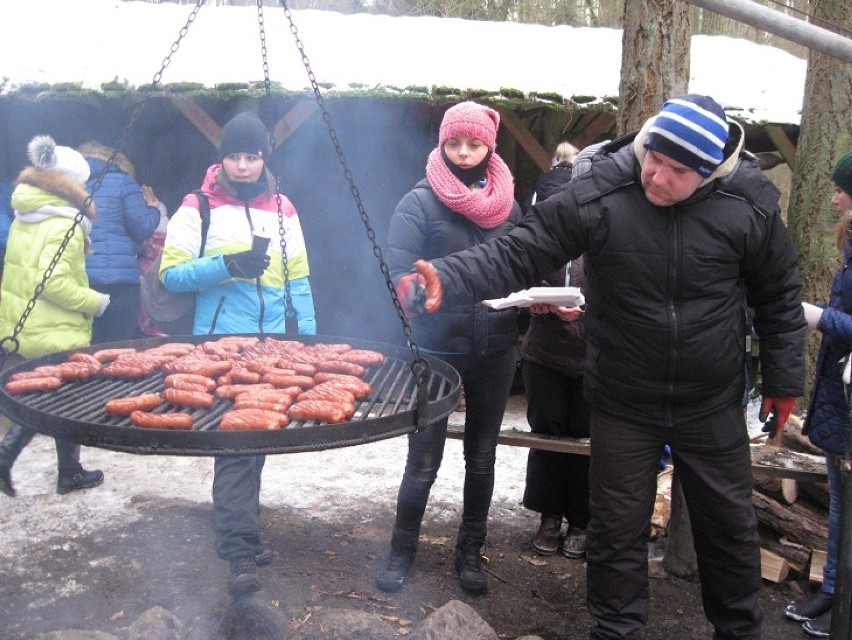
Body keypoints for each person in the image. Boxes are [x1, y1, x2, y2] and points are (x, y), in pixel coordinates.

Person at [395, 94, 806, 639]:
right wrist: (452, 275)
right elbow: (522, 248)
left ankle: (738, 630)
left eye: (677, 171)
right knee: (614, 532)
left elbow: (778, 295)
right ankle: (616, 632)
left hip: (710, 399)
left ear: (710, 172)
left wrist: (783, 378)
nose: (656, 177)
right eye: (653, 157)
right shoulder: (607, 187)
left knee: (729, 529)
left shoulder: (749, 202)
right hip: (621, 396)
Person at [159, 111, 316, 599]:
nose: (243, 165)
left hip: (273, 348)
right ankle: (238, 549)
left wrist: (308, 342)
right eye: (234, 156)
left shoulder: (284, 207)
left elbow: (299, 279)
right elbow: (171, 274)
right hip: (220, 347)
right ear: (221, 158)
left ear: (263, 158)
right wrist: (227, 265)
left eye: (252, 156)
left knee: (257, 442)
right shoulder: (197, 206)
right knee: (236, 449)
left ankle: (239, 527)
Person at [376, 101, 522, 596]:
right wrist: (408, 291)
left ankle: (469, 551)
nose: (463, 153)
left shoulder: (509, 205)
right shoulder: (418, 203)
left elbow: (522, 263)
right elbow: (396, 267)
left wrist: (539, 299)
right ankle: (402, 549)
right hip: (437, 349)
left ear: (489, 147)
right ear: (441, 144)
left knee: (482, 458)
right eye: (454, 143)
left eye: (474, 144)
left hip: (496, 346)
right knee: (422, 460)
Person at [0, 135, 109, 497]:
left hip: (23, 321)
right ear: (70, 185)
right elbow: (53, 282)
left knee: (63, 399)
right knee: (50, 401)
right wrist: (94, 302)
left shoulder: (26, 215)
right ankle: (4, 455)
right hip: (53, 326)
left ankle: (70, 471)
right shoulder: (65, 224)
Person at [785, 150, 852, 638]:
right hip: (840, 395)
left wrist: (814, 316)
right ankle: (833, 591)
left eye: (841, 188)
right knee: (840, 503)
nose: (833, 197)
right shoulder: (848, 240)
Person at [523, 255, 590, 559]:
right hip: (544, 354)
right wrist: (533, 298)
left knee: (585, 437)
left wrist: (586, 310)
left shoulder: (609, 231)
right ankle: (549, 515)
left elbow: (625, 292)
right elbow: (521, 273)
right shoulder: (549, 231)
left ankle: (581, 521)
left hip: (594, 357)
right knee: (546, 434)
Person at [77, 141, 164, 343]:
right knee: (117, 346)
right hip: (120, 280)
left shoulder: (71, 185)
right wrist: (153, 208)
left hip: (81, 278)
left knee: (85, 346)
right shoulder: (124, 181)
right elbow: (141, 227)